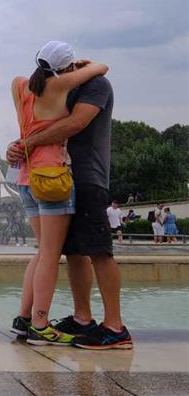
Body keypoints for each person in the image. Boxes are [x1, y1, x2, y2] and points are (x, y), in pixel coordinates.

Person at [7, 43, 133, 350]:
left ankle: (114, 325)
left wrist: (26, 143)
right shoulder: (63, 85)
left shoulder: (93, 87)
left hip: (85, 177)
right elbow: (100, 68)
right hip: (59, 177)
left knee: (98, 251)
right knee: (73, 252)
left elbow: (76, 123)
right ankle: (82, 318)